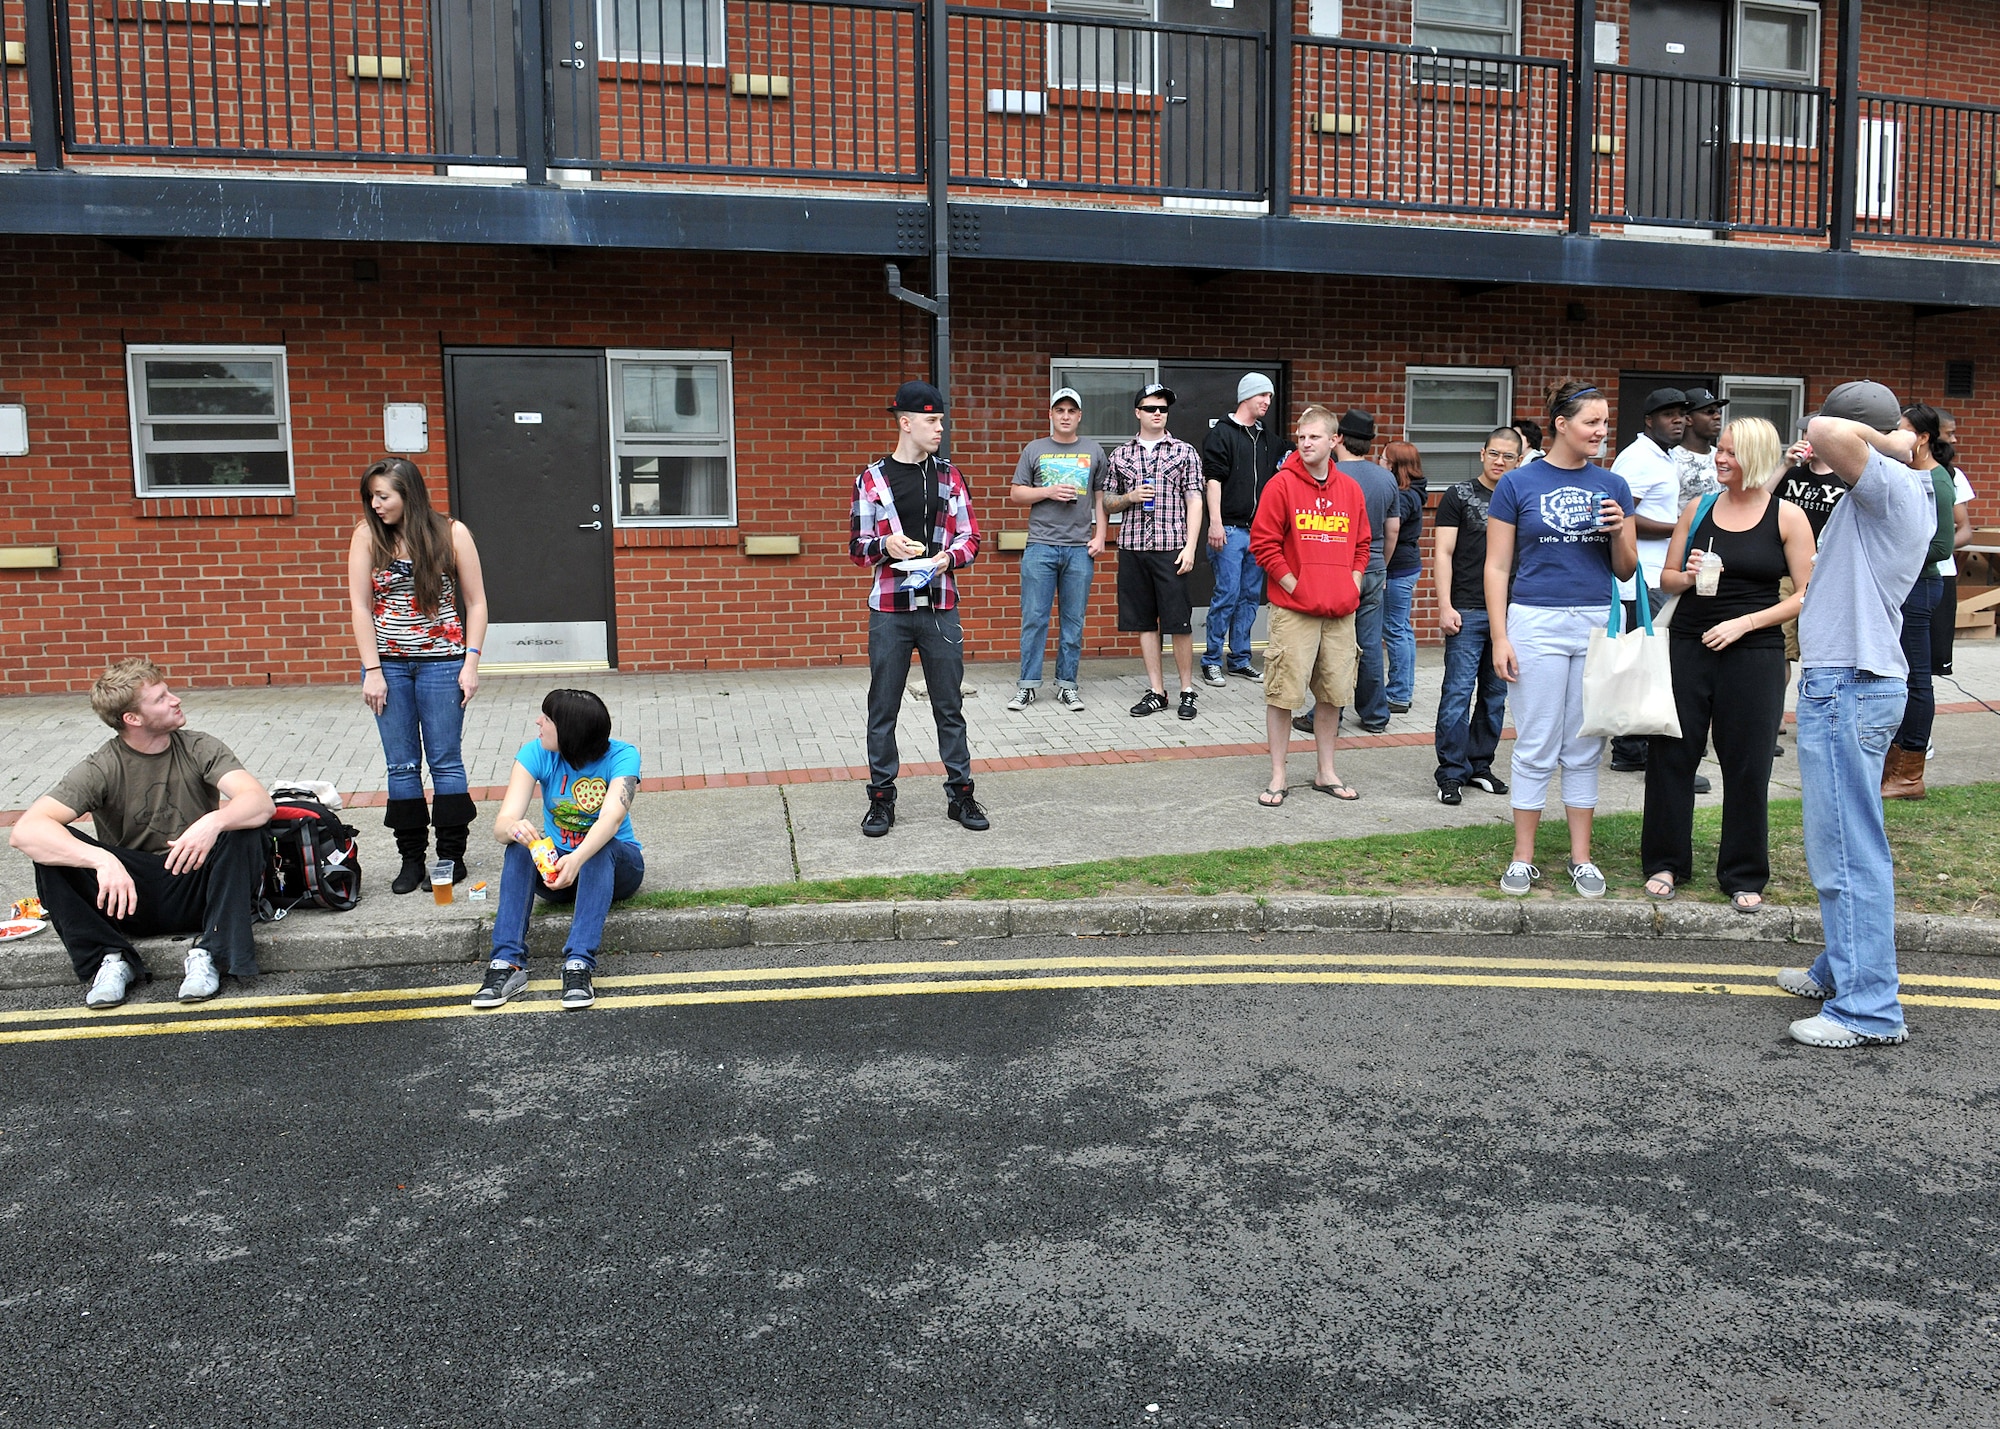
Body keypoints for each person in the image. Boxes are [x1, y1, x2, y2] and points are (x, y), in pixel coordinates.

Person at [1776, 381, 1933, 1049]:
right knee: (1847, 840)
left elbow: (1826, 429)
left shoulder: (1891, 482)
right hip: (1850, 683)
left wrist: (1891, 440)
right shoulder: (1885, 489)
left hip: (1850, 685)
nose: (1812, 443)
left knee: (1846, 850)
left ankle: (1869, 1009)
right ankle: (1839, 969)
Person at [10, 659, 274, 1008]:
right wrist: (101, 860)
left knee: (246, 829)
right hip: (128, 897)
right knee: (52, 852)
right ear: (132, 718)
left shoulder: (199, 747)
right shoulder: (102, 766)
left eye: (169, 692)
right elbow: (25, 831)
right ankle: (110, 959)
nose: (176, 700)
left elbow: (260, 802)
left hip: (197, 885)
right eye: (161, 698)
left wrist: (213, 822)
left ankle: (212, 953)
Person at [1641, 418, 1815, 911]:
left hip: (1755, 653)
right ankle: (1665, 862)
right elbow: (1666, 578)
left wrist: (1746, 624)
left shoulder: (1787, 517)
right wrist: (1687, 575)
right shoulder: (1698, 508)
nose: (1719, 458)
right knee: (1672, 756)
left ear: (1755, 457)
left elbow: (1808, 594)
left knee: (1748, 764)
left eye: (1731, 452)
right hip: (1688, 645)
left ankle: (1743, 873)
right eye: (1719, 449)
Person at [1485, 379, 1638, 900]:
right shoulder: (1516, 484)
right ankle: (1522, 858)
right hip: (1534, 621)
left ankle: (1582, 859)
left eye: (1604, 423)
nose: (1601, 431)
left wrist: (1619, 532)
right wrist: (1500, 636)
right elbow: (1497, 566)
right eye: (1592, 422)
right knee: (1536, 742)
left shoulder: (1613, 485)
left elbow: (1625, 570)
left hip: (1595, 620)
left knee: (1584, 744)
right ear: (1561, 425)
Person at [849, 380, 987, 837]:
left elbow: (971, 538)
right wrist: (885, 545)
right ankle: (881, 801)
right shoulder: (872, 479)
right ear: (905, 423)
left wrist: (947, 559)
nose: (940, 428)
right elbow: (857, 547)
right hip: (889, 610)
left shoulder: (950, 476)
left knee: (949, 706)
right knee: (883, 707)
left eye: (941, 420)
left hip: (940, 606)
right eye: (931, 421)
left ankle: (961, 796)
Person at [346, 457, 489, 895]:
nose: (375, 504)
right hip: (388, 666)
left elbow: (477, 603)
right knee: (401, 765)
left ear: (408, 494)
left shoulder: (452, 533)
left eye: (383, 496)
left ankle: (450, 858)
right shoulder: (367, 535)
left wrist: (471, 663)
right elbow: (360, 607)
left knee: (445, 761)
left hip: (443, 663)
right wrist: (372, 670)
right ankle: (411, 860)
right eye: (371, 496)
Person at [474, 689, 645, 1012]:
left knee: (599, 847)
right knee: (519, 848)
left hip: (616, 868)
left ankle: (579, 964)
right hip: (556, 871)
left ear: (568, 730)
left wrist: (577, 858)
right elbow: (501, 826)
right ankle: (507, 963)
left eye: (547, 718)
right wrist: (514, 829)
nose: (538, 722)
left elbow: (610, 820)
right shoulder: (535, 752)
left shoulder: (623, 756)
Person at [1249, 406, 1370, 806]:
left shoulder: (1350, 489)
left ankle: (1325, 771)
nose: (1305, 443)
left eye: (1314, 437)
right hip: (1293, 612)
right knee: (1282, 694)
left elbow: (1362, 544)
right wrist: (1295, 586)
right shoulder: (1281, 485)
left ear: (1335, 440)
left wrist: (1352, 583)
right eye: (1301, 437)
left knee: (1333, 695)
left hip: (1339, 612)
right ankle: (1278, 775)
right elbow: (1263, 544)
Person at [1101, 383, 1207, 720]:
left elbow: (1195, 500)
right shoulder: (1121, 455)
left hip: (1171, 547)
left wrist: (1190, 546)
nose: (1158, 413)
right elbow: (1107, 501)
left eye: (1162, 408)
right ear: (1138, 413)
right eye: (1150, 408)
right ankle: (1157, 691)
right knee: (1145, 622)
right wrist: (1129, 497)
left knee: (1179, 623)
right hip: (1133, 547)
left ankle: (1187, 690)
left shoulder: (1184, 452)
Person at [1432, 427, 1520, 805]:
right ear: (1482, 454)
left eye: (1508, 456)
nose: (1500, 461)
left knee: (1495, 695)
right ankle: (1451, 773)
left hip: (1511, 613)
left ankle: (1479, 765)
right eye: (1494, 454)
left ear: (1519, 460)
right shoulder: (1458, 495)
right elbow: (1443, 552)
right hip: (1466, 609)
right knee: (1457, 693)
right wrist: (1444, 604)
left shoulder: (1521, 496)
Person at [1005, 388, 1108, 713]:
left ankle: (1067, 686)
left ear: (1079, 416)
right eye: (1059, 410)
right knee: (1034, 619)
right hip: (1040, 546)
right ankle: (1027, 686)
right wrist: (1047, 491)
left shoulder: (1094, 450)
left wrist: (1101, 535)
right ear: (1050, 414)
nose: (1065, 416)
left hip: (1079, 548)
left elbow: (1101, 497)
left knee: (1073, 622)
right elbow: (1016, 494)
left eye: (1071, 411)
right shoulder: (1034, 449)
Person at [1293, 409, 1395, 736]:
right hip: (1373, 566)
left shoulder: (1333, 476)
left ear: (1338, 439)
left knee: (1329, 646)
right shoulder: (1385, 477)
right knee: (1369, 644)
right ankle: (1376, 714)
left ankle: (1326, 715)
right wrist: (1381, 564)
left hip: (1337, 568)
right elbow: (1392, 529)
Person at [1607, 389, 1690, 776]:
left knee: (1649, 664)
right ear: (1648, 420)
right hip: (1640, 578)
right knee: (1644, 665)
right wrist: (1681, 528)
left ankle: (1634, 747)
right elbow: (1624, 518)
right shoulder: (1638, 458)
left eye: (1681, 414)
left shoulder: (1662, 456)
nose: (1678, 420)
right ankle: (1631, 748)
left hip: (1657, 576)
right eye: (1669, 414)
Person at [1880, 403, 1959, 799]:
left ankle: (1910, 773)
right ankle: (1891, 764)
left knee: (1916, 679)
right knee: (1898, 675)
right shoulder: (1903, 472)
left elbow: (1942, 546)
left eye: (1903, 430)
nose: (1895, 436)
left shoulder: (1938, 481)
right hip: (1901, 585)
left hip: (1920, 588)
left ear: (1924, 437)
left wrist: (1891, 553)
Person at [1200, 373, 1285, 685]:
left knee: (1249, 597)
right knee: (1227, 594)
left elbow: (1298, 455)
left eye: (1270, 396)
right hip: (1229, 531)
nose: (1267, 401)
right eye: (1262, 395)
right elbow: (1213, 480)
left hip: (1258, 533)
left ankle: (1239, 659)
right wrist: (1216, 523)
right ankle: (1211, 660)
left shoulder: (1268, 439)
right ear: (1246, 396)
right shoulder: (1221, 434)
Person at [1380, 440, 1428, 714]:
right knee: (1402, 629)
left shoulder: (1405, 496)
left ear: (1395, 466)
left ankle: (1398, 694)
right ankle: (1403, 690)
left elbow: (1392, 530)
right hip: (1407, 567)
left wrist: (1383, 567)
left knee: (1394, 630)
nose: (1379, 463)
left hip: (1397, 570)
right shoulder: (1413, 492)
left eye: (1383, 460)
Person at [1928, 409, 1975, 686]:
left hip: (1939, 575)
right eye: (1950, 433)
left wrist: (1936, 549)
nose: (1954, 440)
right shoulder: (1900, 471)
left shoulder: (1953, 476)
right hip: (1902, 575)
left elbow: (1965, 530)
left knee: (1932, 663)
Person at [1674, 388, 1726, 504]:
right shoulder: (1673, 460)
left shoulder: (1724, 457)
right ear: (1688, 419)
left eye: (1719, 411)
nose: (1717, 416)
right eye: (1710, 412)